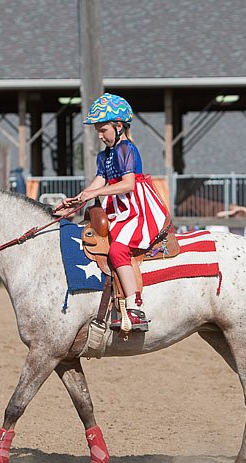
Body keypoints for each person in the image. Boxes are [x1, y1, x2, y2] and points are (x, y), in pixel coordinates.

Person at [59, 93, 169, 332]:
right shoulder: (104, 155)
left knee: (118, 249)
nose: (99, 135)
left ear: (118, 126)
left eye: (103, 129)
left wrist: (93, 194)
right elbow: (99, 181)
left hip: (135, 207)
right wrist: (77, 199)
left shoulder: (126, 149)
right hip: (116, 207)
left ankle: (135, 307)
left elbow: (128, 184)